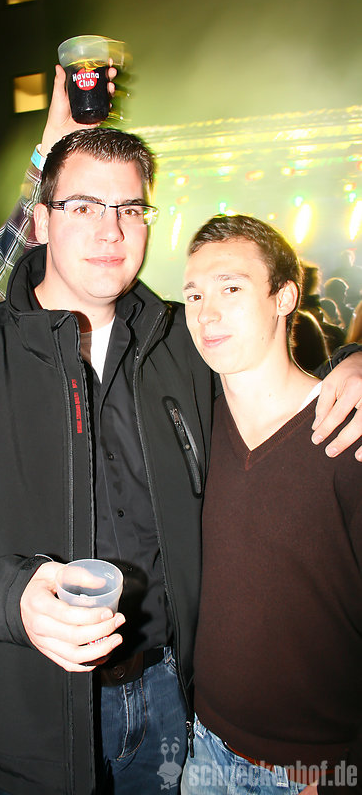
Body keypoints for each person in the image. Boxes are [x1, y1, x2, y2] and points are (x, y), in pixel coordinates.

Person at [0, 76, 362, 795]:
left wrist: (353, 361)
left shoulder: (183, 342)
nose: (110, 231)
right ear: (40, 221)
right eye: (84, 206)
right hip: (26, 706)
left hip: (171, 699)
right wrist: (9, 597)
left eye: (129, 208)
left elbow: (274, 377)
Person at [179, 215, 362, 795]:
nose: (206, 313)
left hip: (313, 767)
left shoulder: (348, 434)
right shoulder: (189, 427)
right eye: (194, 295)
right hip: (201, 746)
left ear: (284, 298)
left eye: (231, 288)